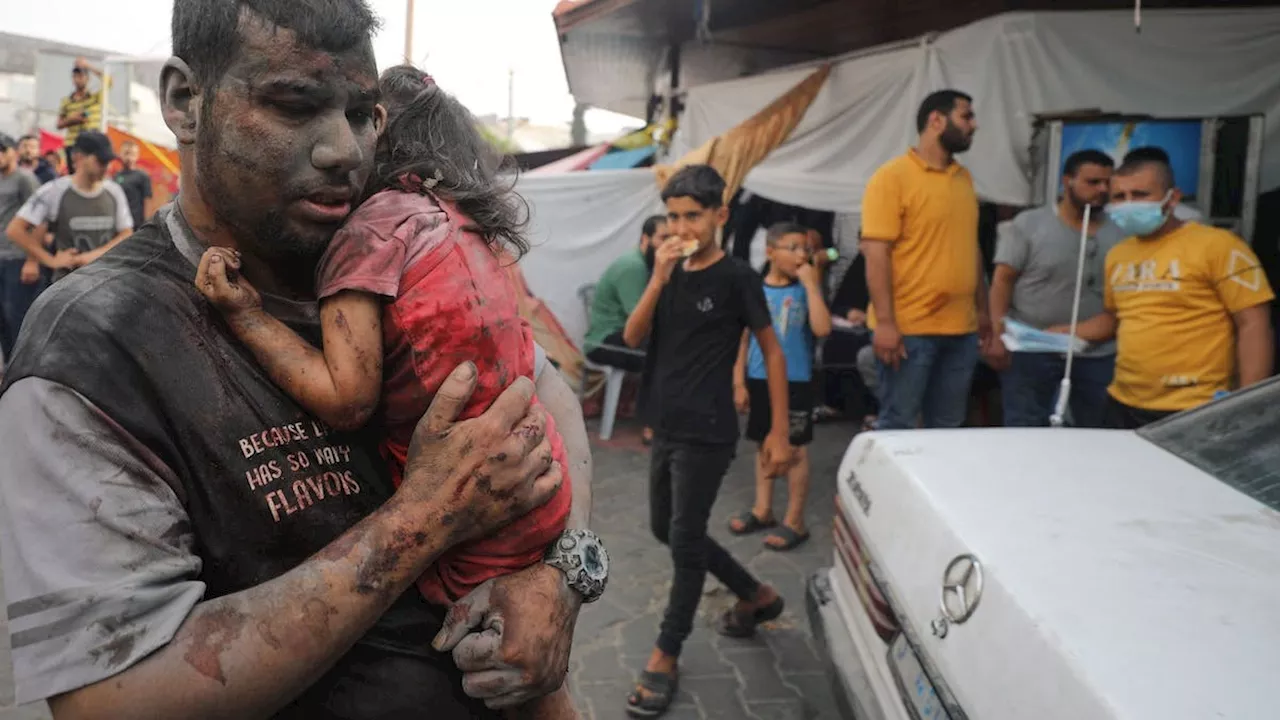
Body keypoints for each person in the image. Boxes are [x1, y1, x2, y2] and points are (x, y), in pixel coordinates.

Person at [0, 2, 595, 718]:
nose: (344, 149)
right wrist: (423, 520)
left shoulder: (394, 245)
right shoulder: (98, 343)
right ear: (186, 102)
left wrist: (560, 575)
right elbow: (111, 701)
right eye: (293, 104)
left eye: (363, 114)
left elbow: (541, 391)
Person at [193, 65, 584, 718]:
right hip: (542, 495)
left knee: (508, 679)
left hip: (474, 540)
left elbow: (348, 399)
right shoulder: (463, 226)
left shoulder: (371, 235)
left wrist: (248, 316)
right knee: (542, 690)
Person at [621, 164, 791, 718]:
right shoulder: (663, 267)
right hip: (665, 423)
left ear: (720, 216)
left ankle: (666, 652)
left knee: (686, 541)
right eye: (672, 215)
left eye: (692, 215)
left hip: (710, 429)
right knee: (663, 528)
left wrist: (779, 431)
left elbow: (772, 348)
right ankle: (756, 594)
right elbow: (632, 335)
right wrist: (659, 278)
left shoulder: (738, 277)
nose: (680, 225)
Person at [1054, 155, 1275, 428]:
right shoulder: (1118, 255)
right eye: (1119, 197)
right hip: (1123, 400)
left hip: (1196, 405)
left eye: (1140, 194)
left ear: (1172, 199)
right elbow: (1114, 319)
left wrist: (1246, 402)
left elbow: (1253, 323)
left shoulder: (1219, 245)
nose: (1129, 203)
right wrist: (1063, 333)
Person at [861, 89, 990, 430]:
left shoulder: (964, 179)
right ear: (936, 120)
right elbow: (876, 254)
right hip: (910, 331)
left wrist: (984, 311)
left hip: (961, 330)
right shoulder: (891, 178)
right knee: (898, 426)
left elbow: (970, 247)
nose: (974, 125)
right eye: (966, 116)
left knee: (948, 428)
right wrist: (886, 323)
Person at [987, 149, 1124, 427]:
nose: (1101, 190)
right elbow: (1003, 280)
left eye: (1107, 183)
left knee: (1096, 432)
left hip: (1096, 355)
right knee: (1025, 429)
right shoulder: (1029, 224)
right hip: (1031, 350)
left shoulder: (1121, 232)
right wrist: (997, 334)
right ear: (1067, 181)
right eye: (1092, 182)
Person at [728, 222, 832, 552]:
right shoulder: (755, 289)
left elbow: (823, 328)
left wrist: (812, 286)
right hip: (759, 379)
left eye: (805, 248)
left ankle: (795, 521)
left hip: (796, 381)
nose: (801, 254)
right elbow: (742, 338)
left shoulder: (806, 288)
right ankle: (763, 509)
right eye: (793, 247)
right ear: (771, 252)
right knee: (762, 442)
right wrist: (739, 381)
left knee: (796, 450)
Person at [6, 131, 133, 283]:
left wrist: (94, 256)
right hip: (66, 284)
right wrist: (50, 260)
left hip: (106, 282)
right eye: (100, 161)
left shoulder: (114, 191)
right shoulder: (54, 190)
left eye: (108, 162)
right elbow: (15, 230)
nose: (106, 167)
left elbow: (126, 233)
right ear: (79, 158)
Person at [585, 214, 670, 373]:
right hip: (604, 343)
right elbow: (640, 325)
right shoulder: (634, 267)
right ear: (645, 239)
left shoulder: (644, 263)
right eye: (663, 238)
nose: (667, 246)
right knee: (666, 361)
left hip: (619, 336)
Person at [0, 134, 42, 360]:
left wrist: (32, 259)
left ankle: (23, 366)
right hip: (0, 256)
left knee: (17, 315)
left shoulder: (25, 179)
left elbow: (40, 218)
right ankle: (9, 366)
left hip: (18, 258)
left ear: (13, 152)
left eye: (2, 150)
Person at [57, 57, 110, 174]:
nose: (78, 79)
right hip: (73, 144)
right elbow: (59, 124)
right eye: (76, 76)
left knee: (93, 173)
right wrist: (72, 119)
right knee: (75, 175)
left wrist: (88, 66)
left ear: (87, 78)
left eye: (81, 76)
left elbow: (108, 81)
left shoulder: (95, 98)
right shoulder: (66, 101)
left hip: (92, 143)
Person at [114, 140, 154, 229]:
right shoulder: (116, 176)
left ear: (137, 156)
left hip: (137, 224)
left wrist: (146, 223)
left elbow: (147, 200)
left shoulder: (142, 176)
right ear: (120, 154)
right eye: (126, 153)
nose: (129, 157)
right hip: (120, 223)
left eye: (132, 154)